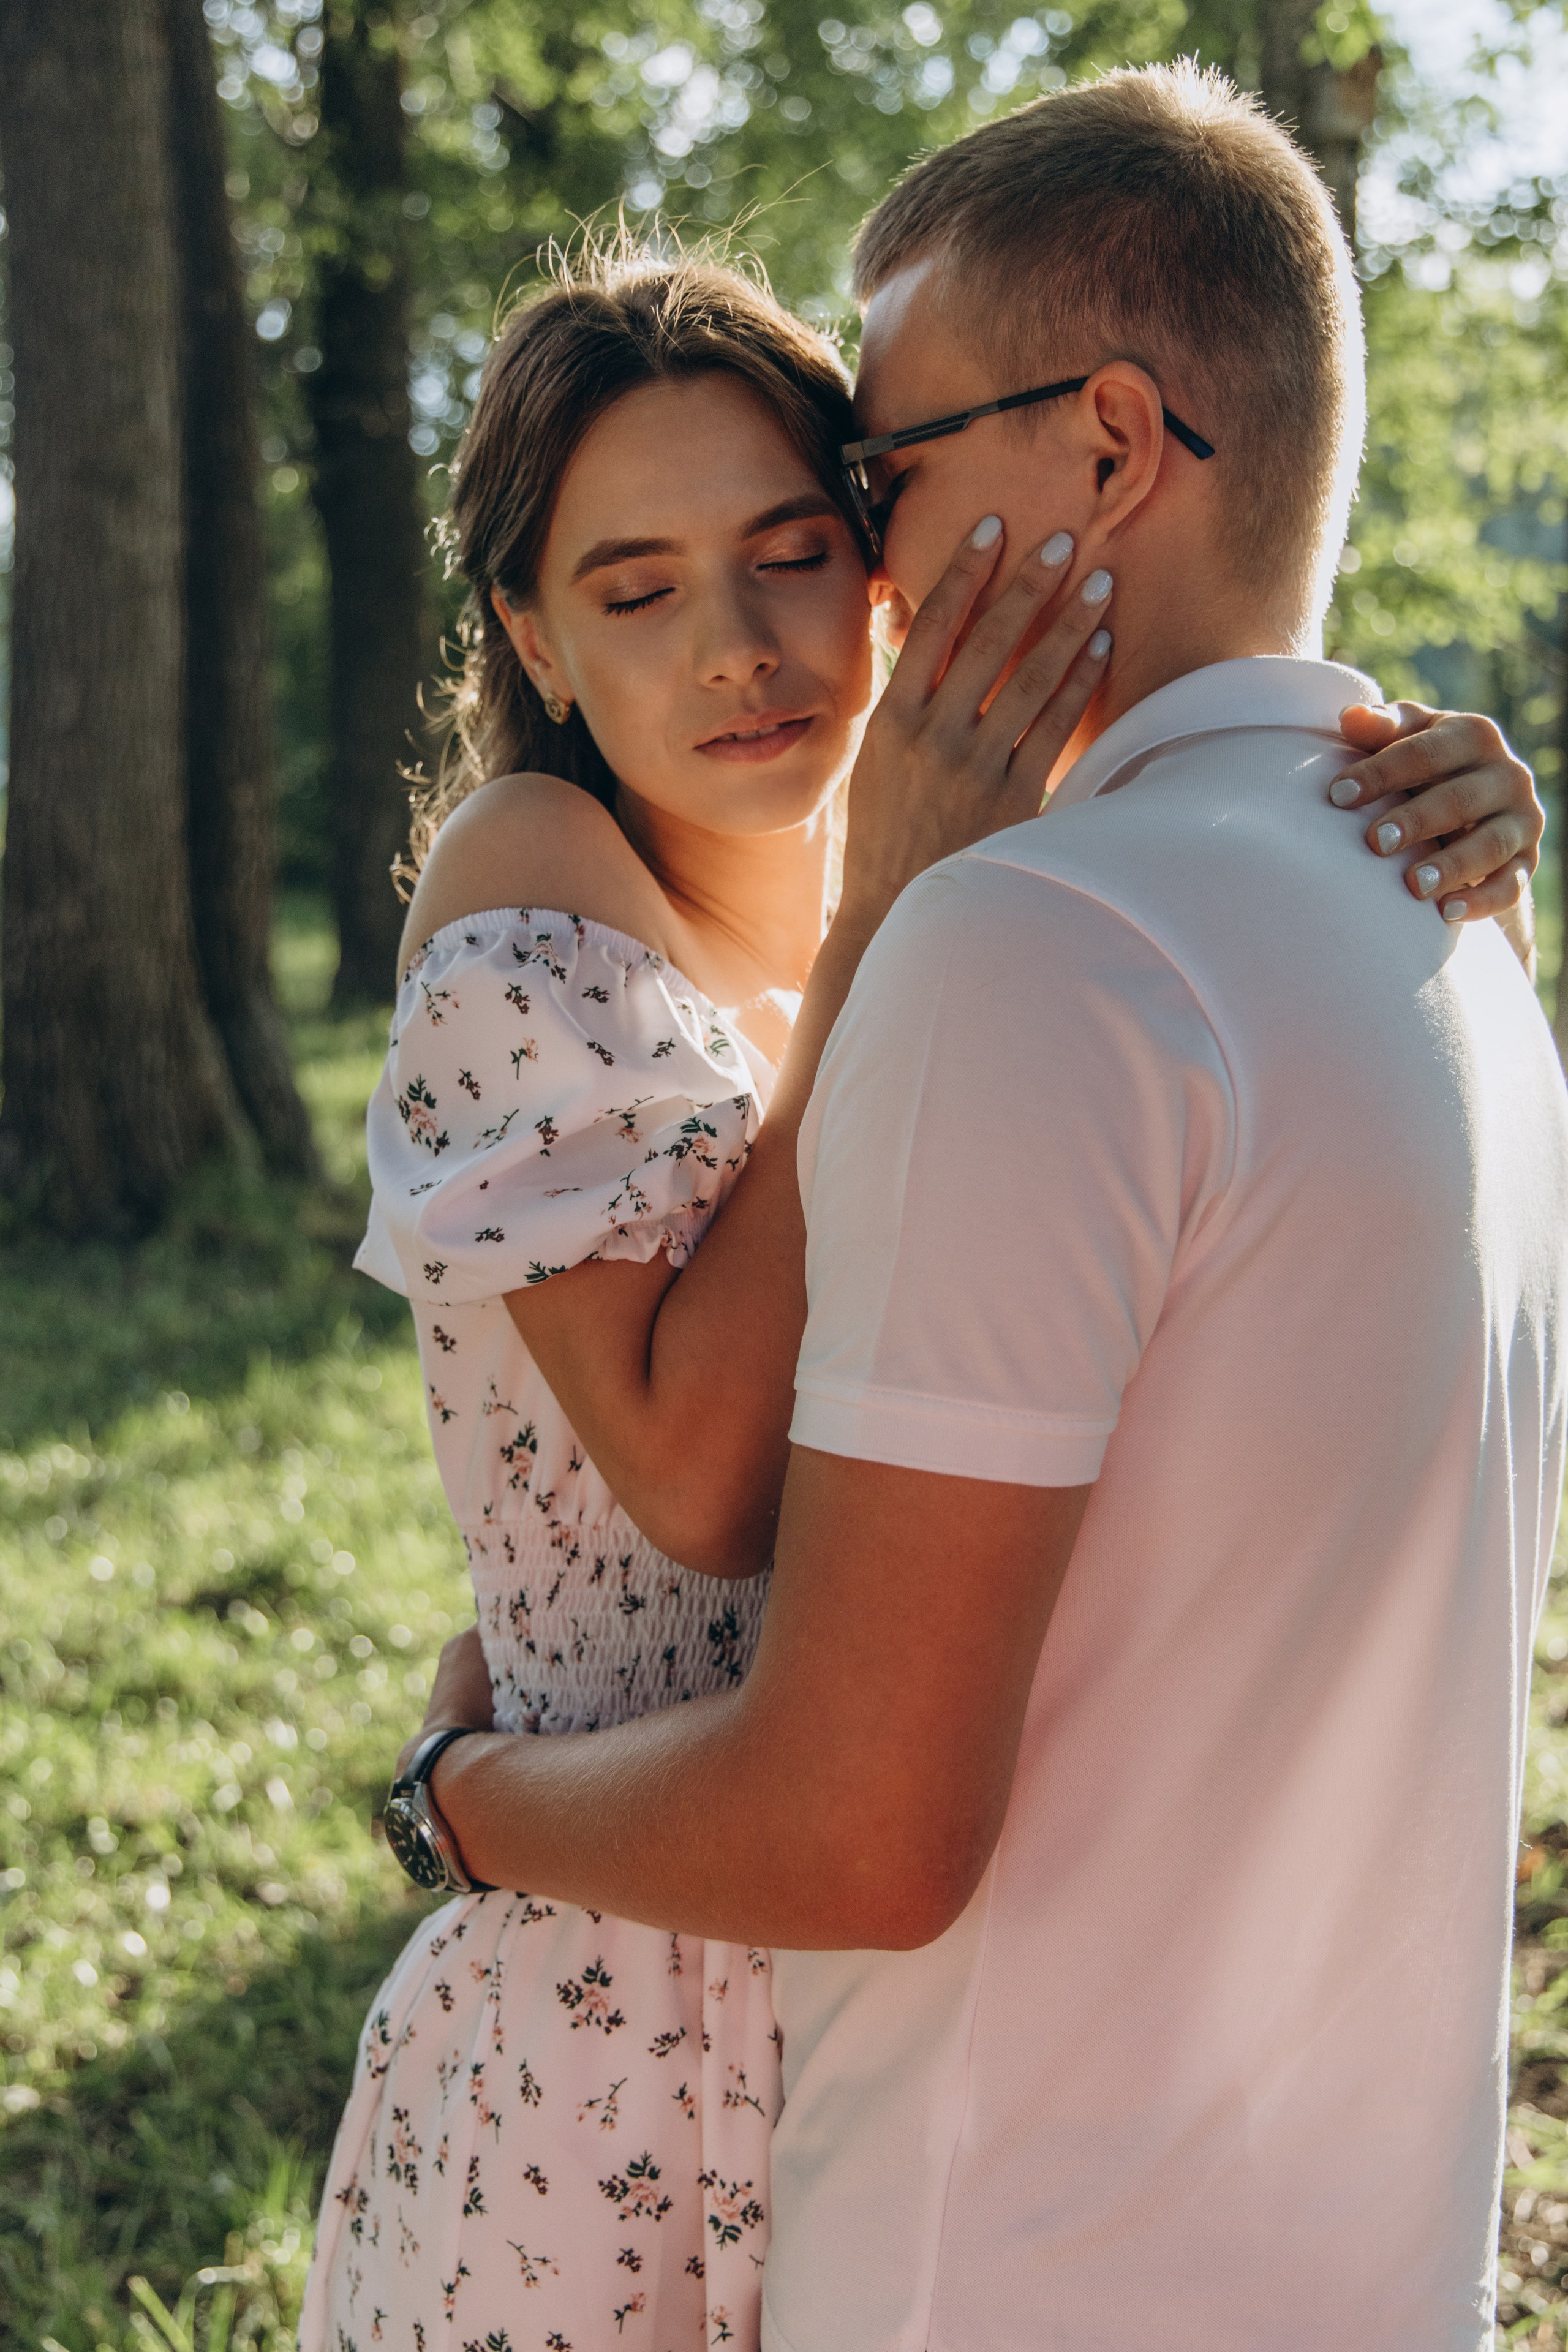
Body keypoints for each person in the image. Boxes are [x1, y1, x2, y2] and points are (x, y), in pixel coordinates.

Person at [373, 68, 1568, 2352]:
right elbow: (704, 1484)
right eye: (633, 588)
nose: (755, 635)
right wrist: (466, 1803)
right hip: (634, 2005)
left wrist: (1417, 834)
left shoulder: (1018, 908)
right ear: (535, 638)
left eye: (832, 518)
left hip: (874, 2025)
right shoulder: (574, 886)